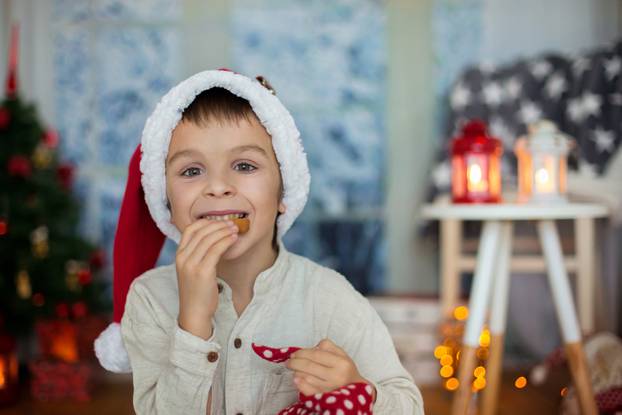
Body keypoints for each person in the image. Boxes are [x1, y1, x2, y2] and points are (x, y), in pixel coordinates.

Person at [94, 69, 424, 414]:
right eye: (192, 171)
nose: (218, 186)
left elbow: (409, 405)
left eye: (245, 165)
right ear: (165, 202)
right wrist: (192, 320)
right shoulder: (149, 300)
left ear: (284, 191)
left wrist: (359, 390)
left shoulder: (329, 298)